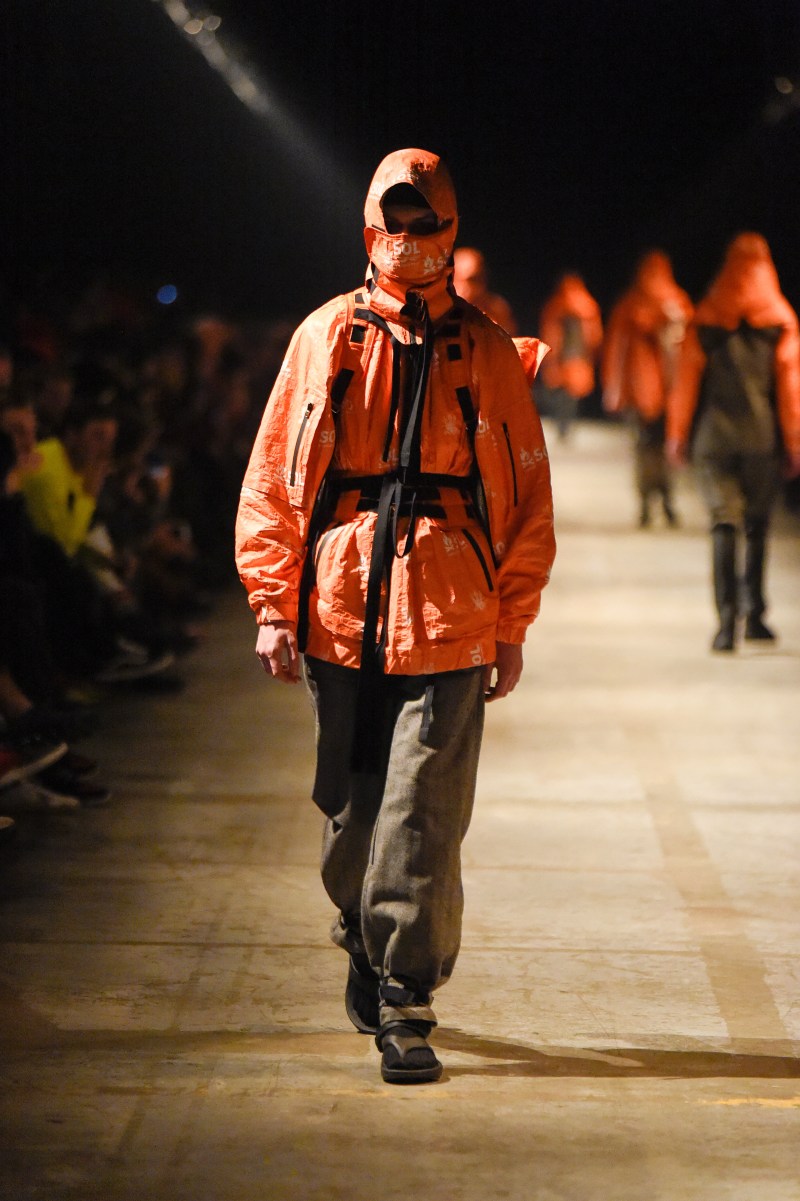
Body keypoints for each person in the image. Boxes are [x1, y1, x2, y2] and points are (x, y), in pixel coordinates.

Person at [236, 149, 555, 1084]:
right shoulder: (327, 335)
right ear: (370, 226)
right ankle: (361, 928)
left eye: (429, 224)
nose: (412, 241)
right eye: (398, 221)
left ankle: (408, 998)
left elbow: (526, 496)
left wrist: (513, 620)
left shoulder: (488, 352)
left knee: (424, 809)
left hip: (455, 602)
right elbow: (274, 474)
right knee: (353, 805)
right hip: (341, 601)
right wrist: (271, 600)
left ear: (450, 230)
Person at [666, 233, 800, 651]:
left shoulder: (706, 317)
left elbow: (686, 382)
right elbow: (790, 387)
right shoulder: (780, 320)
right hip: (762, 438)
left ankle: (726, 624)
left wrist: (677, 433)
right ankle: (755, 613)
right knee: (757, 526)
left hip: (714, 438)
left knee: (723, 523)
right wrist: (794, 442)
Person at [602, 251, 692, 527]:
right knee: (665, 446)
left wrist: (614, 389)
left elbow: (616, 351)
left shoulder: (629, 305)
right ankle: (667, 502)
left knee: (643, 448)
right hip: (669, 390)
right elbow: (691, 349)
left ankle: (646, 505)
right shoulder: (677, 304)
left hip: (638, 393)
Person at [537, 273, 603, 440]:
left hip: (571, 356)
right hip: (571, 356)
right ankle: (564, 426)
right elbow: (594, 336)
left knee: (567, 393)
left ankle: (564, 426)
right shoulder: (586, 305)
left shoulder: (558, 304)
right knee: (565, 394)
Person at [452, 246, 518, 334]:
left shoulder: (496, 309)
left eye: (480, 279)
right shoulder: (439, 312)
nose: (475, 287)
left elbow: (512, 342)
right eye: (471, 280)